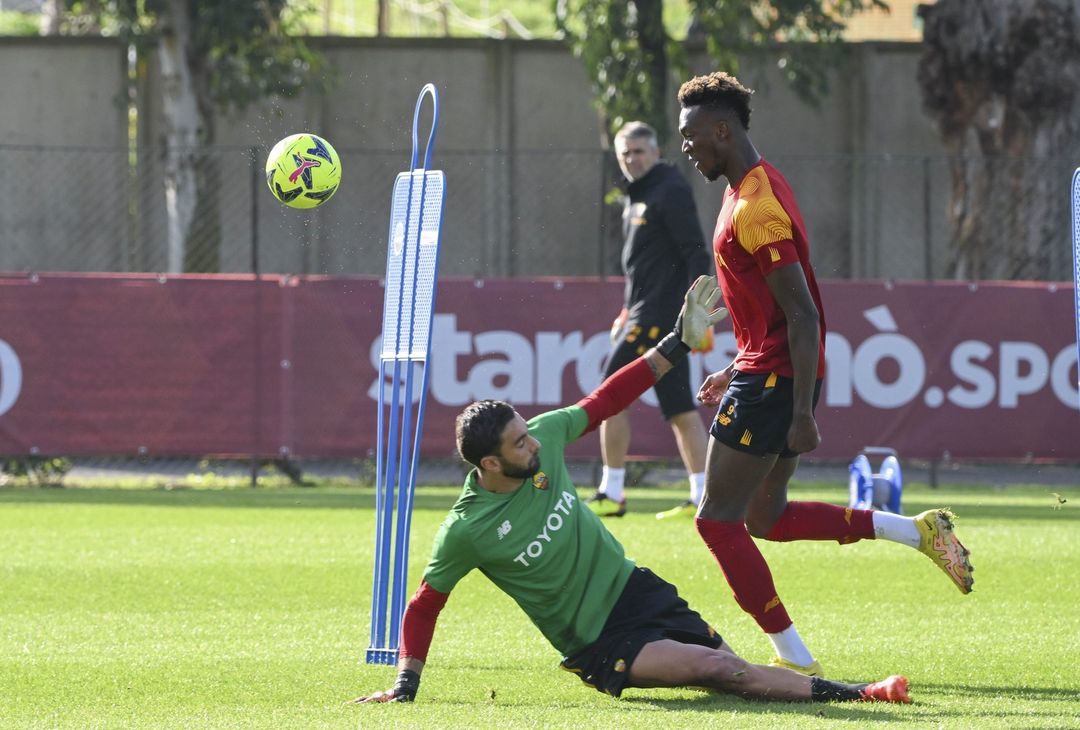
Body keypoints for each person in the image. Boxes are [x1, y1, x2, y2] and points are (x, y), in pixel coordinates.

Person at [352, 277, 911, 706]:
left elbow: (607, 399)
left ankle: (832, 689)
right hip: (600, 642)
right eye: (520, 445)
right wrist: (406, 683)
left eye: (529, 433)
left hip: (638, 591)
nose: (536, 444)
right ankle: (863, 693)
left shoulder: (543, 434)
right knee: (725, 672)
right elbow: (425, 605)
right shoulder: (467, 529)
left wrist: (678, 342)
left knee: (736, 673)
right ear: (491, 464)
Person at [676, 71, 975, 677]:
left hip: (774, 382)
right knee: (764, 518)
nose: (686, 146)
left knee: (716, 520)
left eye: (690, 135)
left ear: (721, 130)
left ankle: (795, 660)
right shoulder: (753, 186)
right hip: (770, 372)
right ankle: (916, 532)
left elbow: (804, 312)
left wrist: (802, 413)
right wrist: (736, 363)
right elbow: (780, 312)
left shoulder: (757, 207)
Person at [587, 121, 715, 520]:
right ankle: (703, 497)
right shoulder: (636, 196)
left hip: (660, 317)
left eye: (638, 151)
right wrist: (626, 310)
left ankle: (612, 490)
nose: (631, 159)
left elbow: (696, 251)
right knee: (679, 407)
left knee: (610, 396)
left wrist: (698, 308)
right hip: (643, 314)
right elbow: (641, 267)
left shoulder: (670, 190)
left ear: (656, 153)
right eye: (625, 153)